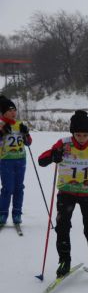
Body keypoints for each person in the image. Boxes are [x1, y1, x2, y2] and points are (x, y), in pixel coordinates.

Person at [38, 111, 88, 279]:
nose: (82, 138)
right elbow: (42, 160)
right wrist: (54, 155)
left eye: (85, 135)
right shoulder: (64, 143)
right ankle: (64, 260)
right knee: (62, 227)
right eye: (78, 134)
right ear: (72, 133)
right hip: (66, 193)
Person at [0, 95, 32, 226]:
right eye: (10, 110)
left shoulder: (20, 125)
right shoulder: (1, 125)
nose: (13, 113)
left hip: (20, 160)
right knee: (8, 188)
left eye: (14, 110)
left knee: (19, 187)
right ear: (3, 113)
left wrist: (26, 134)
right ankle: (2, 213)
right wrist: (1, 133)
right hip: (6, 160)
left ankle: (17, 213)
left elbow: (28, 143)